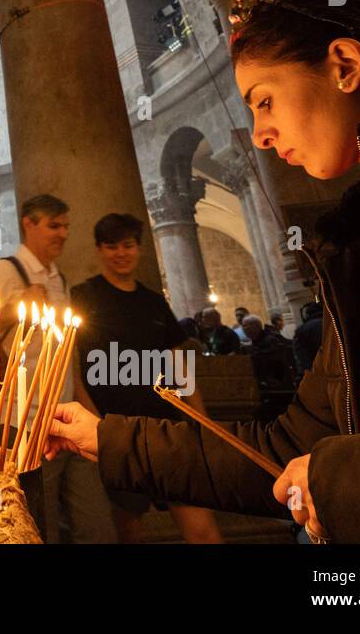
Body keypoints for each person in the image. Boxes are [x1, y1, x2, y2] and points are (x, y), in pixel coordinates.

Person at [46, 0, 360, 542]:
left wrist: (349, 481)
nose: (260, 134)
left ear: (345, 66)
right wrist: (106, 439)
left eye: (264, 100)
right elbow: (290, 446)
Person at [0, 194, 116, 544]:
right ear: (29, 224)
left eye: (66, 225)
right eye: (54, 225)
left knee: (96, 525)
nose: (63, 233)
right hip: (22, 422)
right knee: (37, 522)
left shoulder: (58, 279)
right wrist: (13, 309)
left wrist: (95, 417)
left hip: (67, 421)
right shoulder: (5, 271)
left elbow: (66, 358)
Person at [71, 213, 222, 543]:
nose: (121, 253)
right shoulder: (85, 296)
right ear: (100, 250)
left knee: (200, 524)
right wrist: (94, 421)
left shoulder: (154, 301)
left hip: (167, 429)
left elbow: (176, 359)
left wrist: (200, 416)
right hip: (117, 431)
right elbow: (75, 363)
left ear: (139, 249)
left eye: (128, 245)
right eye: (112, 246)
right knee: (128, 526)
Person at [292, 301, 324, 378]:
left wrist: (307, 372)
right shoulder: (331, 323)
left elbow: (300, 355)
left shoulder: (302, 329)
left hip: (316, 371)